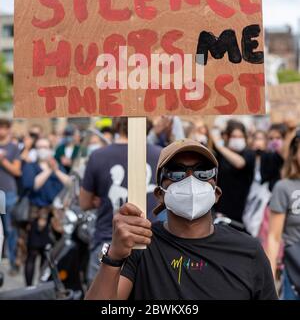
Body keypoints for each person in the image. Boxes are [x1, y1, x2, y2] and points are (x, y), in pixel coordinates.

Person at [85, 139, 277, 300]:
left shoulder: (248, 251)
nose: (190, 179)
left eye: (203, 172)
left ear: (216, 193)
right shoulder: (141, 246)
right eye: (176, 172)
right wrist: (115, 255)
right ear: (160, 194)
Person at [80, 117, 161, 284]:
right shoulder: (161, 154)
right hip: (150, 241)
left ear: (116, 124)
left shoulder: (98, 156)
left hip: (108, 242)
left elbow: (84, 203)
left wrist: (99, 199)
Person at [22, 137, 71, 285]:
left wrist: (56, 170)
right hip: (37, 216)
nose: (43, 150)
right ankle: (29, 287)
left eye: (46, 146)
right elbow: (33, 185)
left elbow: (69, 183)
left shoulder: (58, 167)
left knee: (48, 255)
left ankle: (42, 286)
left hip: (54, 218)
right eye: (39, 147)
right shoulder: (30, 166)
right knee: (32, 253)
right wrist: (49, 170)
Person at [266, 131, 300, 300]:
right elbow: (273, 237)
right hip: (295, 274)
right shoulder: (284, 187)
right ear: (295, 154)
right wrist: (270, 279)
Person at [212, 120, 255, 223]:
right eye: (234, 136)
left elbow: (240, 163)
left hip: (241, 212)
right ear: (226, 136)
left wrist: (220, 146)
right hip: (220, 210)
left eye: (240, 137)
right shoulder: (219, 154)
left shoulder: (249, 153)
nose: (238, 140)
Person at [0, 118, 21, 274]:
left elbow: (17, 171)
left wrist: (2, 160)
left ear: (8, 129)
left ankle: (13, 262)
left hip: (8, 194)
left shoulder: (13, 148)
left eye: (3, 127)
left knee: (9, 230)